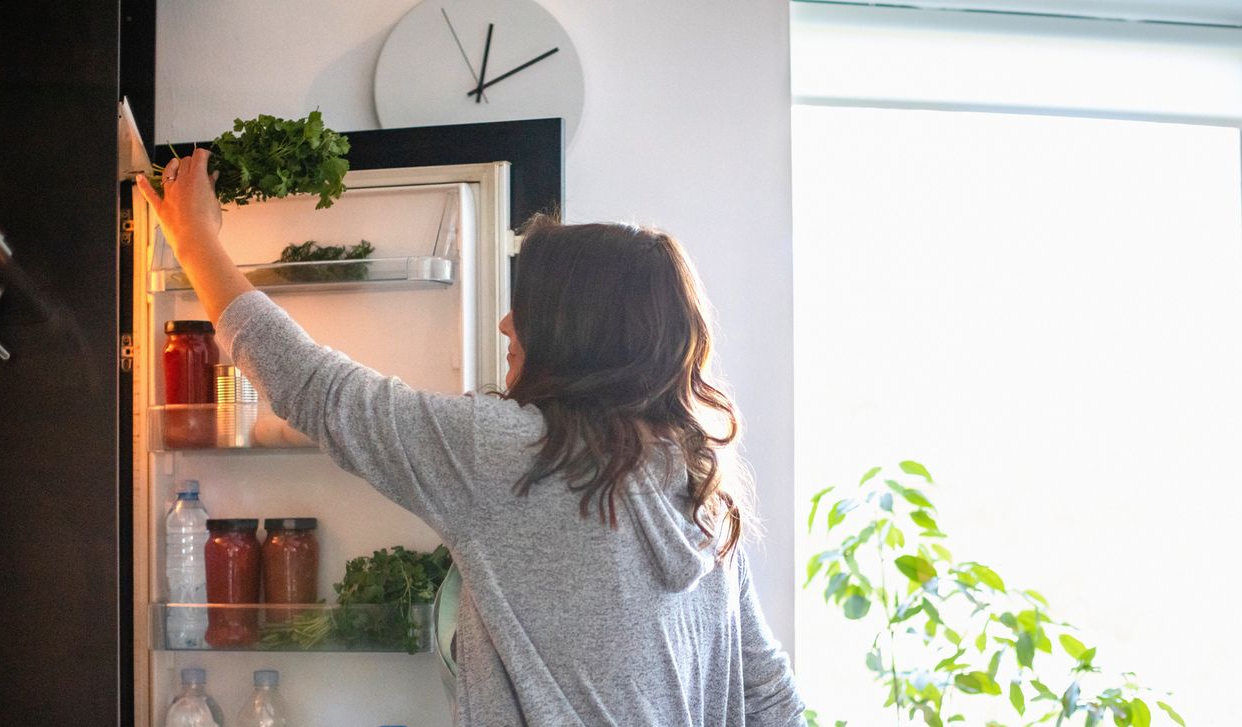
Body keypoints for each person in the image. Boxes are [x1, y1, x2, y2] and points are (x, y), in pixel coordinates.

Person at [138, 149, 805, 727]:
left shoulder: (518, 455)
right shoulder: (700, 486)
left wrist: (197, 241)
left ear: (574, 334)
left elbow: (321, 389)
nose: (506, 324)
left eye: (531, 310)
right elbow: (769, 693)